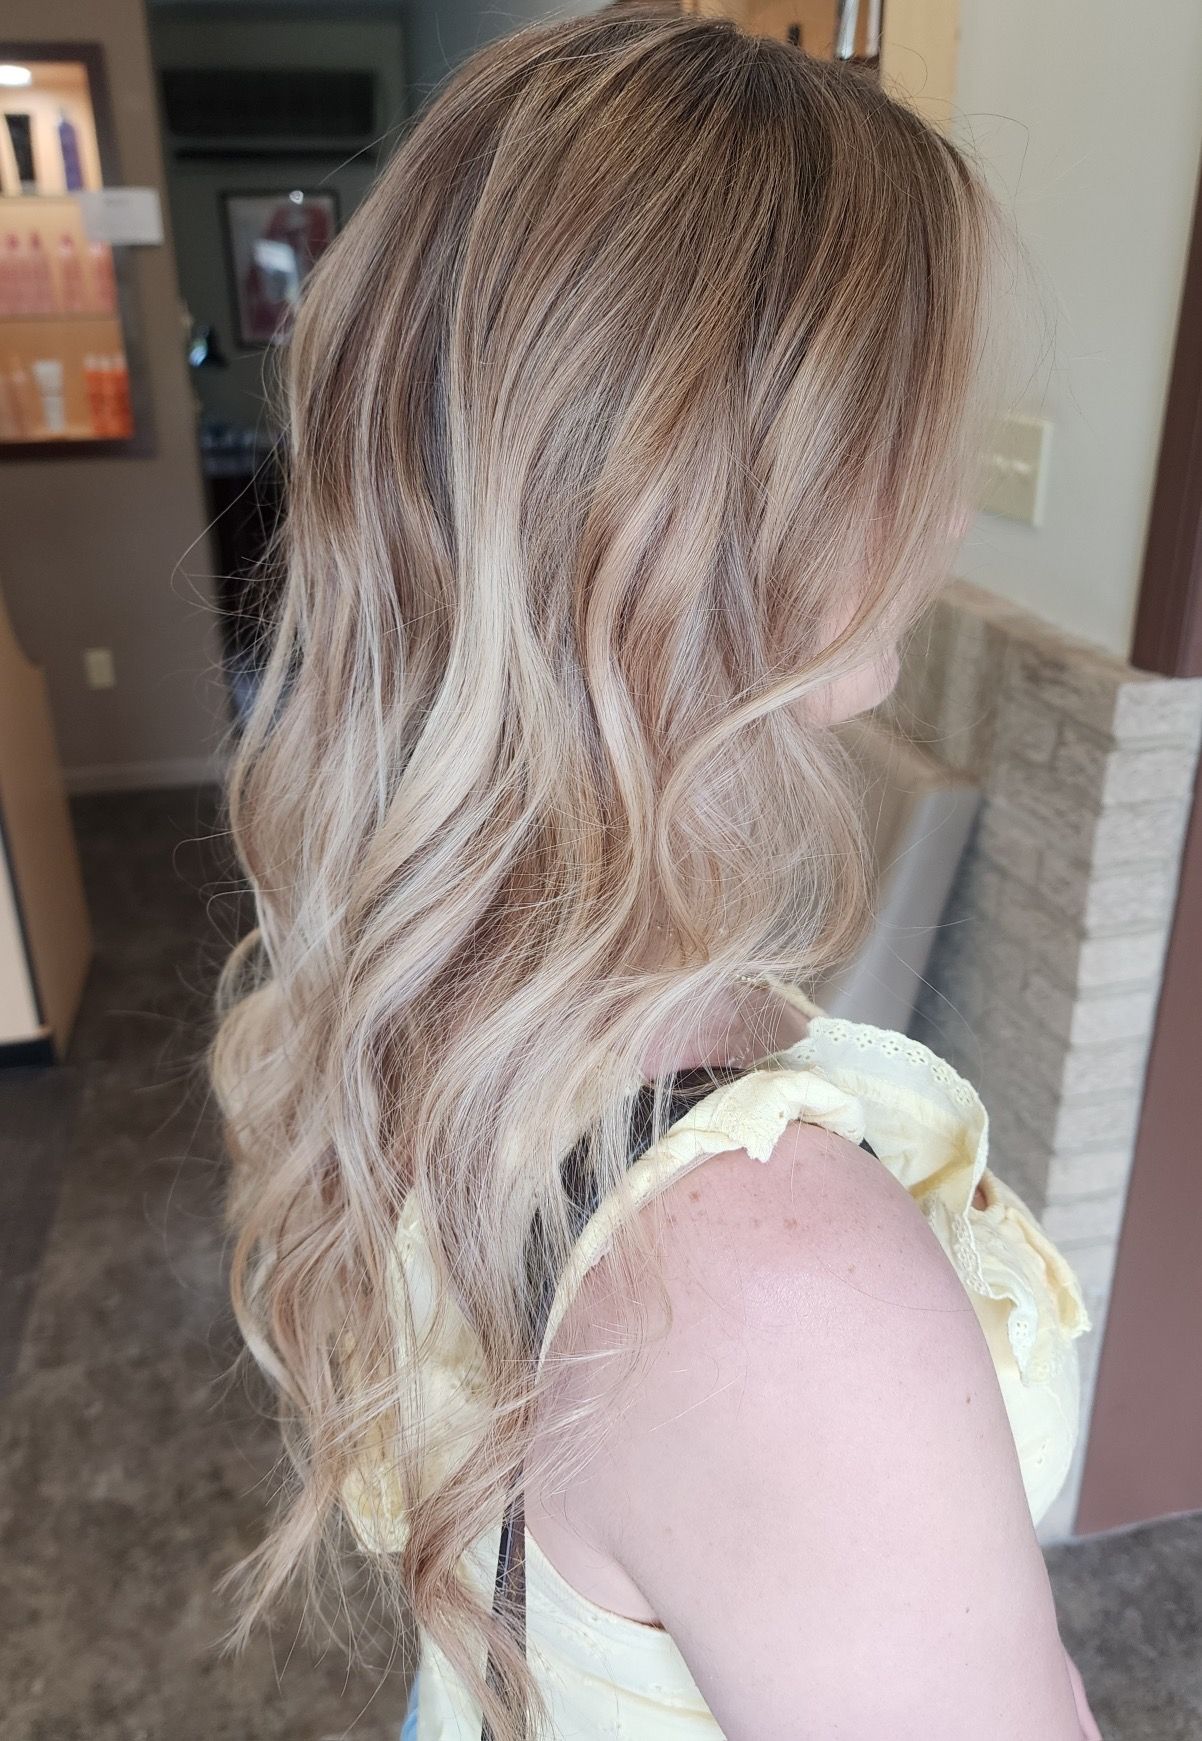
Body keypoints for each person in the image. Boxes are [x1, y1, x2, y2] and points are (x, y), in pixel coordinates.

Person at [212, 11, 1102, 1738]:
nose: (947, 505)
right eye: (907, 422)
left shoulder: (429, 977)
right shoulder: (773, 1284)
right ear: (725, 493)